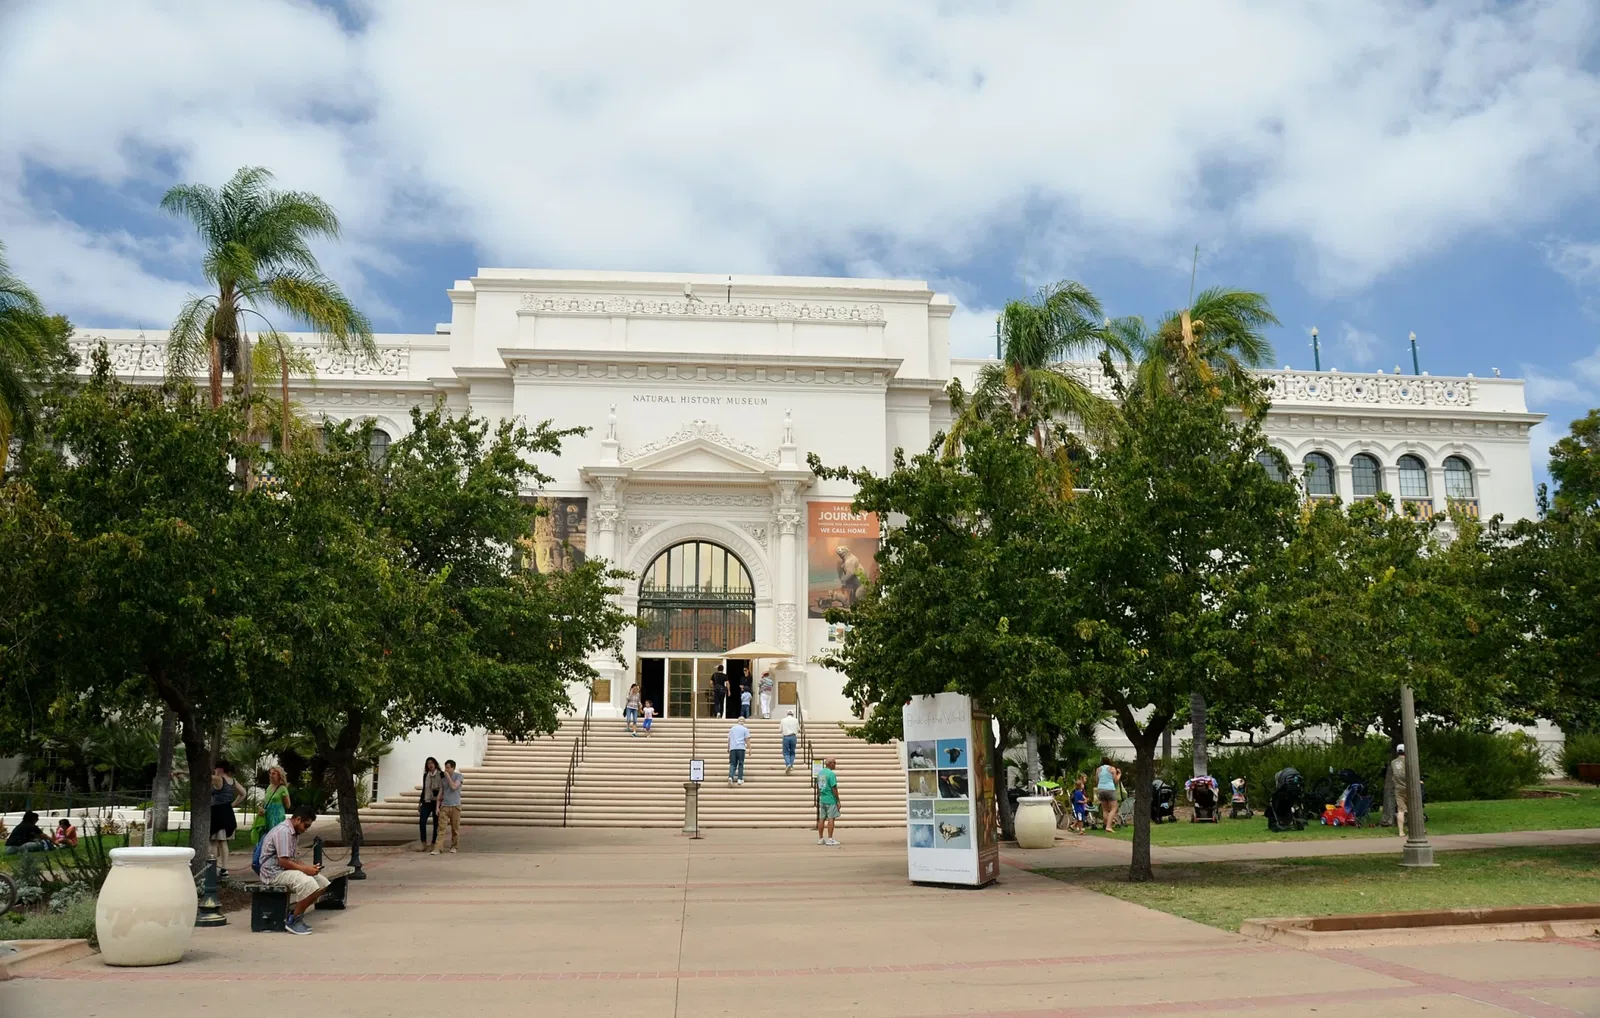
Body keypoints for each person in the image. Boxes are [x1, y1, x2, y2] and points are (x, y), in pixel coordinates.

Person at [260, 804, 329, 935]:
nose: (306, 829)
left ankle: (296, 913)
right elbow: (283, 861)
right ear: (298, 819)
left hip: (284, 869)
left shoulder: (293, 832)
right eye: (306, 825)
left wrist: (309, 868)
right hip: (273, 873)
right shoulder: (284, 832)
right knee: (309, 884)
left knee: (322, 883)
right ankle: (294, 921)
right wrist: (304, 870)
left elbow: (293, 858)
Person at [210, 760, 244, 877]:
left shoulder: (219, 779)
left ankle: (212, 867)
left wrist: (182, 772)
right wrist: (233, 804)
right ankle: (224, 868)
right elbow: (243, 793)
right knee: (224, 842)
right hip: (228, 812)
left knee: (214, 841)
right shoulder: (232, 781)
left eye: (216, 768)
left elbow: (203, 777)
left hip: (217, 813)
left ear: (220, 769)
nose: (215, 771)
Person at [436, 759, 463, 855]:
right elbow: (441, 792)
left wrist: (448, 777)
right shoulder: (443, 780)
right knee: (441, 828)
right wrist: (437, 807)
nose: (446, 770)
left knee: (455, 828)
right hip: (445, 806)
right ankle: (438, 848)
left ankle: (454, 846)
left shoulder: (459, 776)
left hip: (455, 806)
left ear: (453, 768)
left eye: (448, 768)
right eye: (445, 767)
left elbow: (454, 787)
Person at [419, 756, 444, 851]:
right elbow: (424, 789)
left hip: (437, 801)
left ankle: (434, 843)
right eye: (428, 763)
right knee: (422, 821)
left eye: (432, 763)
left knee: (436, 823)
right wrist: (420, 803)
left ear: (435, 764)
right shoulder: (426, 775)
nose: (430, 765)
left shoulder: (441, 774)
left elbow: (443, 788)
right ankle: (423, 843)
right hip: (427, 800)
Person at [816, 757, 841, 846]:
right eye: (834, 762)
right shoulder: (831, 774)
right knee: (831, 819)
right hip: (830, 799)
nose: (835, 764)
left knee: (822, 818)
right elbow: (834, 788)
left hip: (823, 798)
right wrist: (838, 800)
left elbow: (819, 787)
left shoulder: (820, 773)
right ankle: (830, 838)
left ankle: (821, 838)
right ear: (830, 763)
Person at [1094, 757, 1121, 832]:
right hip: (1110, 789)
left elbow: (1097, 780)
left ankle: (1106, 824)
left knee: (1105, 809)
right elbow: (1115, 781)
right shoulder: (1112, 769)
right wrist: (1119, 774)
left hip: (1100, 789)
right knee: (1114, 808)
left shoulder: (1098, 769)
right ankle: (1109, 826)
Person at [263, 766, 292, 832]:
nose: (271, 775)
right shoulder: (269, 787)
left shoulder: (283, 789)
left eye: (273, 773)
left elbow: (288, 805)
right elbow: (265, 800)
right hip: (268, 815)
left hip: (277, 816)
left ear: (279, 775)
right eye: (270, 773)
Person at [1390, 744, 1410, 838]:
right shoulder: (1408, 761)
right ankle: (1414, 829)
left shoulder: (1393, 762)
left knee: (1400, 810)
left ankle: (1401, 831)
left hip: (1398, 788)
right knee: (1413, 809)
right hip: (1409, 788)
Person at [727, 718, 751, 785]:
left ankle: (731, 777)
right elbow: (747, 739)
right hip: (741, 748)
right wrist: (750, 749)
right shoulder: (745, 729)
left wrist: (728, 748)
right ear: (744, 722)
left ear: (737, 721)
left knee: (732, 763)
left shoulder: (732, 729)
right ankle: (739, 779)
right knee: (741, 763)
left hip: (733, 748)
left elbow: (729, 739)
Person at [779, 709, 800, 773]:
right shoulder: (796, 720)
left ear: (787, 714)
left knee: (786, 752)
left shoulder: (783, 720)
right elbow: (798, 729)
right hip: (793, 736)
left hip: (786, 737)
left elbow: (780, 730)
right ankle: (791, 765)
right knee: (792, 752)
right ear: (792, 714)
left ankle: (788, 764)